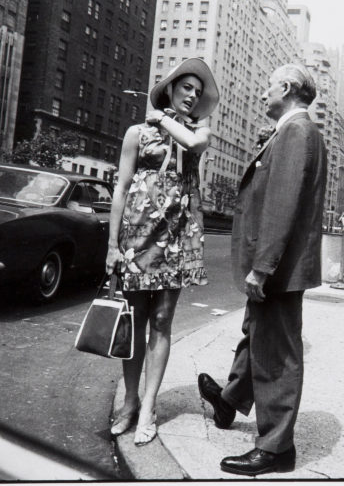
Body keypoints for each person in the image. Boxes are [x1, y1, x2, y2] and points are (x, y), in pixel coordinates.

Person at [198, 63, 327, 476]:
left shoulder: (296, 132)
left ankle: (275, 448)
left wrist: (263, 268)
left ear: (286, 88)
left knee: (277, 354)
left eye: (268, 86)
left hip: (279, 267)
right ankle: (231, 400)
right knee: (257, 334)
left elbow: (281, 206)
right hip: (279, 265)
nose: (261, 93)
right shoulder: (291, 132)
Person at [105, 58, 218, 446]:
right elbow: (120, 188)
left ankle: (149, 407)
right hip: (138, 234)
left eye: (198, 93)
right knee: (134, 322)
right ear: (170, 88)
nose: (192, 96)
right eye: (186, 88)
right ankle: (130, 402)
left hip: (177, 236)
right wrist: (111, 245)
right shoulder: (136, 133)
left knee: (162, 321)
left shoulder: (197, 131)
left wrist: (161, 119)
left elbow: (193, 143)